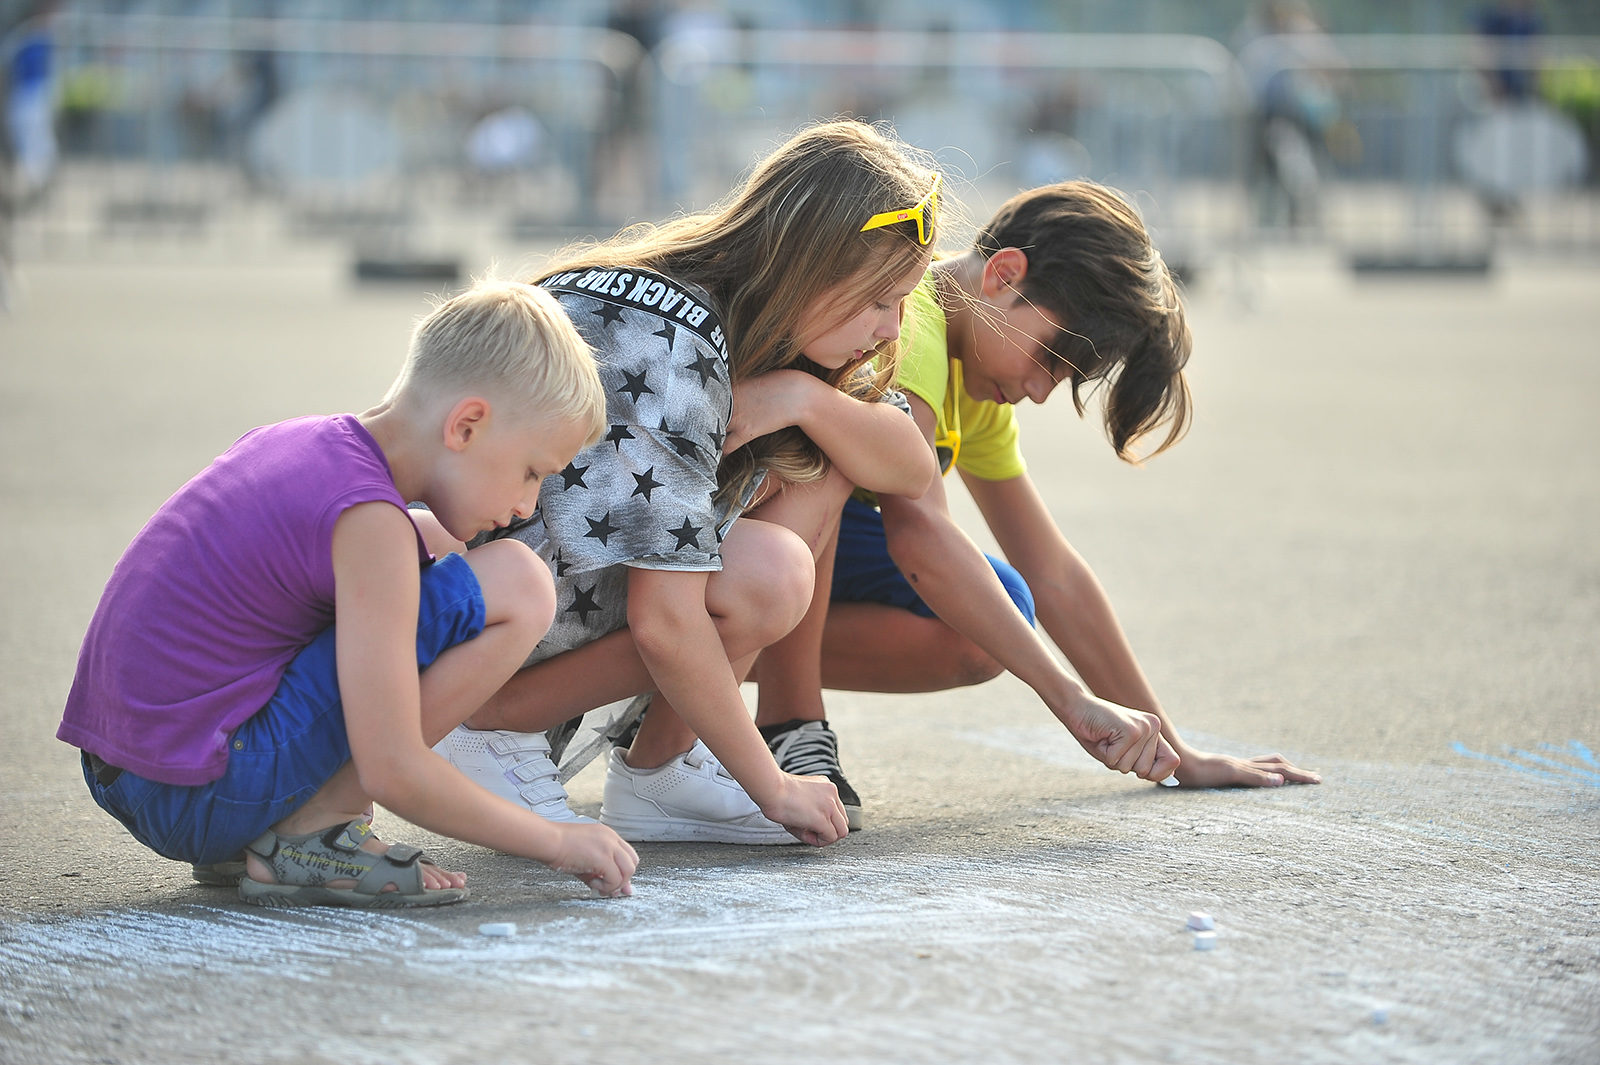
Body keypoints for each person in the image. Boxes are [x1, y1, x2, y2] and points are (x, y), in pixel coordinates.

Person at [429, 118, 950, 846]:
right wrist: (773, 787)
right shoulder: (672, 338)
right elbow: (665, 622)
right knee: (763, 573)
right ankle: (488, 725)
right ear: (806, 264)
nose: (893, 330)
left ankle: (661, 770)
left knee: (790, 525)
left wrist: (804, 400)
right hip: (462, 620)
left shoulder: (753, 316)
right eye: (878, 300)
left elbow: (909, 465)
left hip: (510, 596)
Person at [751, 180, 1322, 830]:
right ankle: (786, 722)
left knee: (999, 613)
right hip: (691, 540)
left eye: (1064, 377)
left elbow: (1053, 572)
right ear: (1004, 274)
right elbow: (921, 540)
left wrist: (1172, 750)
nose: (1042, 391)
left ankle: (702, 671)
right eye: (1050, 358)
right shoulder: (909, 328)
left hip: (744, 560)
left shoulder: (973, 379)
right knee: (826, 468)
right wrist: (1070, 699)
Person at [57, 279, 641, 907]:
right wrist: (557, 839)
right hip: (195, 791)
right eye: (532, 472)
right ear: (467, 425)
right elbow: (394, 771)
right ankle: (317, 830)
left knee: (443, 547)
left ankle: (287, 827)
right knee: (521, 583)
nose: (527, 504)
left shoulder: (308, 447)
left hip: (137, 769)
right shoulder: (370, 525)